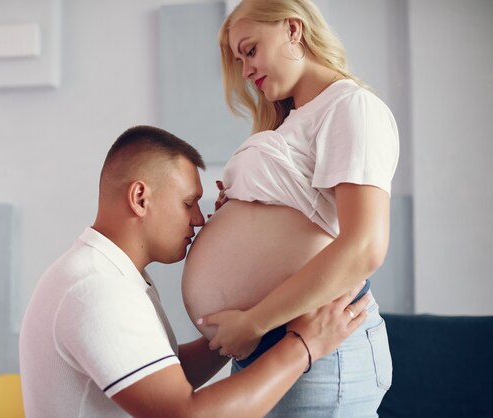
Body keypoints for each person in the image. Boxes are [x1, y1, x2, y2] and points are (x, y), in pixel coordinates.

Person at [19, 125, 370, 418]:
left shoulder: (107, 273)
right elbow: (184, 414)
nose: (199, 219)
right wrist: (303, 346)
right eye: (188, 203)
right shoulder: (96, 289)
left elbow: (163, 378)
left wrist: (243, 329)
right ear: (140, 198)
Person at [181, 0, 399, 416]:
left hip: (312, 345)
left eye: (250, 50)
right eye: (238, 58)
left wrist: (254, 321)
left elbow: (366, 246)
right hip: (268, 346)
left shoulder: (350, 107)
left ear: (293, 29)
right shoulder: (293, 120)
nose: (245, 70)